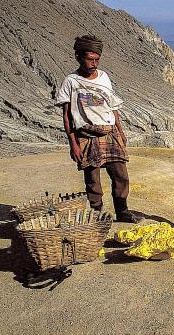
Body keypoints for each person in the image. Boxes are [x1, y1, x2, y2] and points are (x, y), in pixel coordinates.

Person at [55, 35, 142, 223]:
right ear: (78, 57)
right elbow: (67, 115)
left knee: (121, 175)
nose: (94, 63)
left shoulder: (104, 77)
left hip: (109, 132)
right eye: (90, 59)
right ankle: (96, 214)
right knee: (93, 179)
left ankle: (122, 211)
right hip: (86, 134)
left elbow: (112, 106)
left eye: (97, 59)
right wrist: (73, 144)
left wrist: (120, 131)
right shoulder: (71, 81)